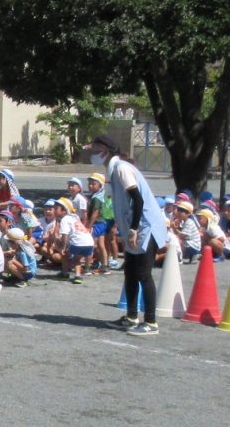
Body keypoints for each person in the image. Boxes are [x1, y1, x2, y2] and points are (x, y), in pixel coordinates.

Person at [88, 135, 166, 337]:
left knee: (143, 273)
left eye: (96, 148)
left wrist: (133, 229)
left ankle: (150, 321)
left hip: (145, 226)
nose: (93, 152)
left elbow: (137, 200)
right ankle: (131, 317)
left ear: (106, 150)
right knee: (130, 272)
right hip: (134, 226)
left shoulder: (121, 168)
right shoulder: (113, 169)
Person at [56, 196, 94, 284]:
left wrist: (63, 247)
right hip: (89, 242)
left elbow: (65, 234)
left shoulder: (65, 219)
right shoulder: (75, 217)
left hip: (78, 243)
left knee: (68, 256)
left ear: (64, 211)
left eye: (56, 208)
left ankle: (69, 273)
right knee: (76, 258)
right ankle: (76, 274)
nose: (54, 210)